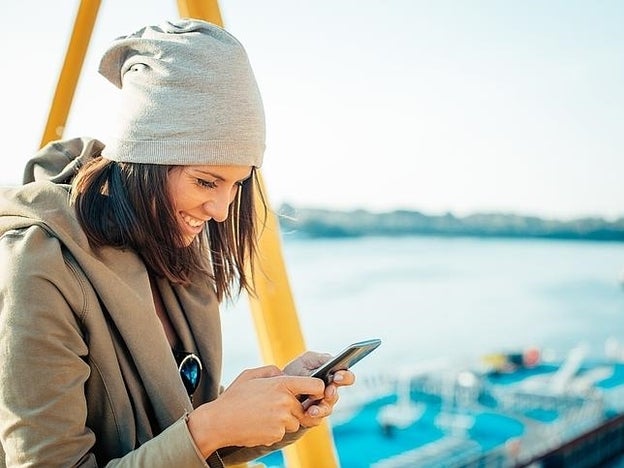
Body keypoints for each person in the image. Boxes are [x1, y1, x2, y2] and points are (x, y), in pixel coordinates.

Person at [0, 18, 354, 467]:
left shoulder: (173, 246)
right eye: (206, 181)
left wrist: (272, 406)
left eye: (235, 185)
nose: (222, 211)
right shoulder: (38, 266)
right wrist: (212, 427)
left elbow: (175, 434)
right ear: (143, 159)